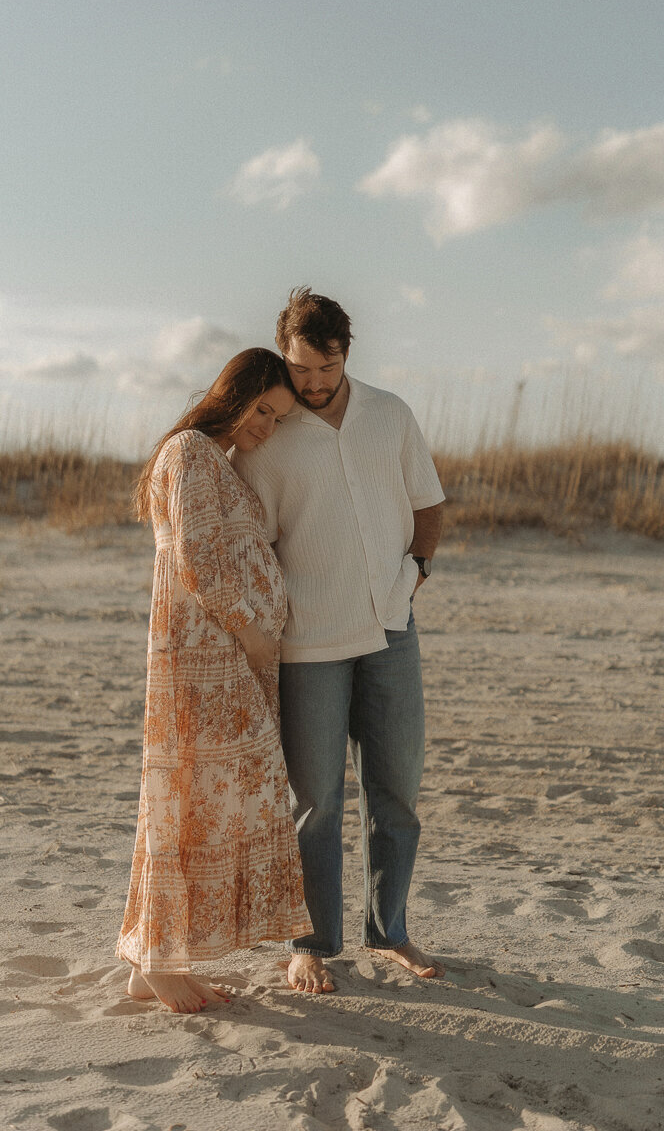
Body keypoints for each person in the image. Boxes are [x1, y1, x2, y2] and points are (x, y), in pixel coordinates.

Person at [233, 289, 446, 995]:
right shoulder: (269, 438)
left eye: (325, 368)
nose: (313, 384)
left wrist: (415, 571)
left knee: (396, 792)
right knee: (315, 799)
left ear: (344, 354)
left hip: (390, 627)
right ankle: (310, 943)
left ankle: (391, 933)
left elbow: (427, 502)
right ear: (283, 358)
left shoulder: (390, 414)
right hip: (309, 641)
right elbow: (253, 541)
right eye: (300, 370)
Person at [116, 347, 312, 1013]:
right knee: (186, 807)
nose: (266, 426)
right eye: (262, 410)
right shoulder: (192, 452)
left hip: (225, 661)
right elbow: (197, 554)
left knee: (202, 807)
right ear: (231, 395)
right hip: (203, 661)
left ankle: (158, 959)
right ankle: (157, 960)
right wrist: (252, 630)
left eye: (278, 418)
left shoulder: (215, 460)